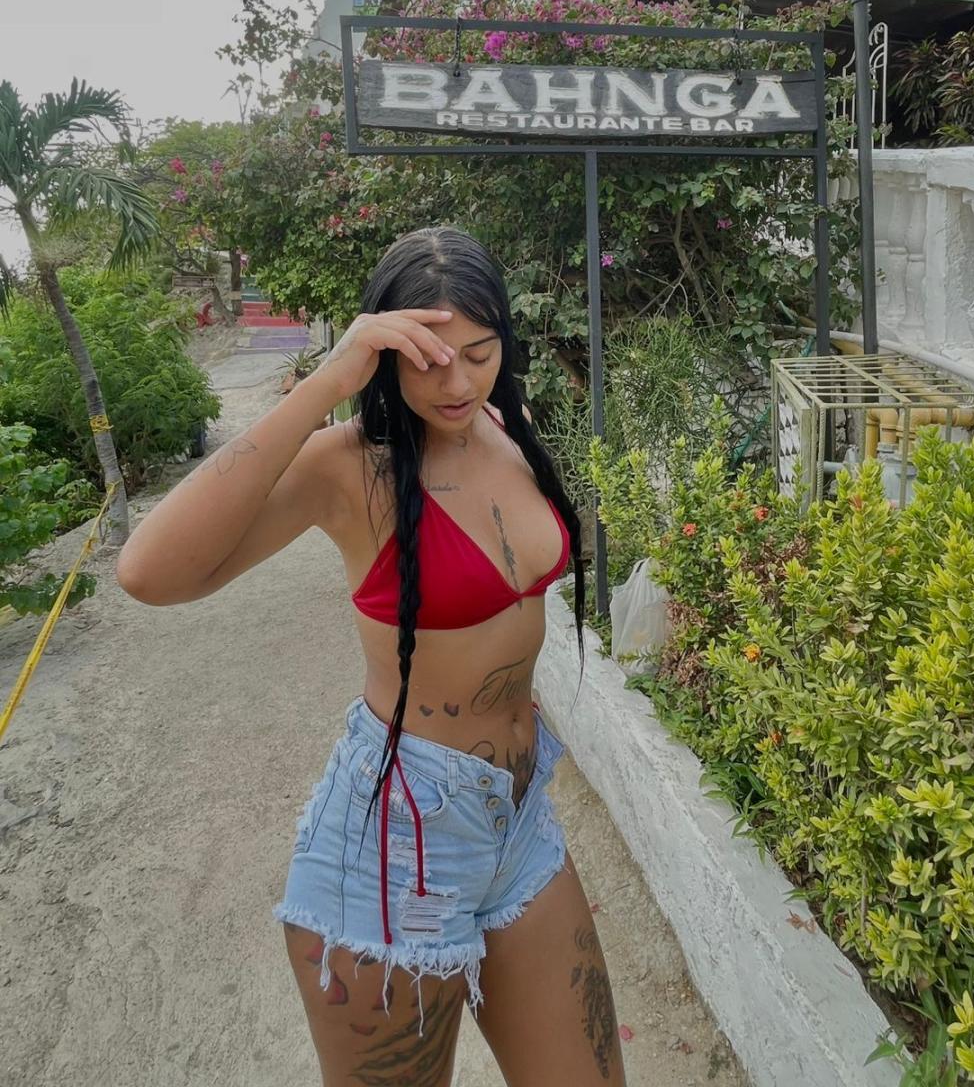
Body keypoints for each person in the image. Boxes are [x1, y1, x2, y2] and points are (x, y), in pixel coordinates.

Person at [117, 226, 626, 1087]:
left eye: (478, 354)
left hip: (518, 820)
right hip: (398, 842)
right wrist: (328, 381)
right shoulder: (352, 468)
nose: (457, 383)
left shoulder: (505, 426)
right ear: (384, 355)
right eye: (429, 361)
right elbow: (149, 571)